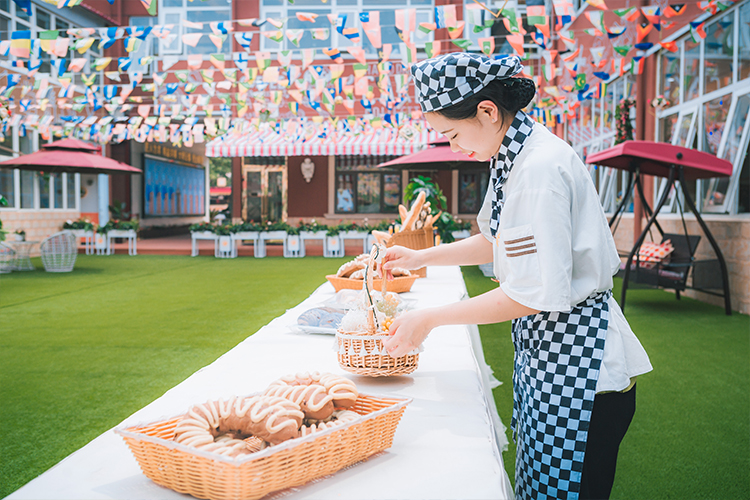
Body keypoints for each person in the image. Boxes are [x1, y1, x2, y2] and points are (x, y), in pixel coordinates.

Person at [382, 53, 652, 500]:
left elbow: (532, 294)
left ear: (487, 111)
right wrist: (418, 257)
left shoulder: (537, 170)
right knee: (540, 485)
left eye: (451, 133)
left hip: (581, 369)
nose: (453, 147)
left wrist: (427, 319)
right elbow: (494, 240)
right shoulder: (513, 154)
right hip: (553, 353)